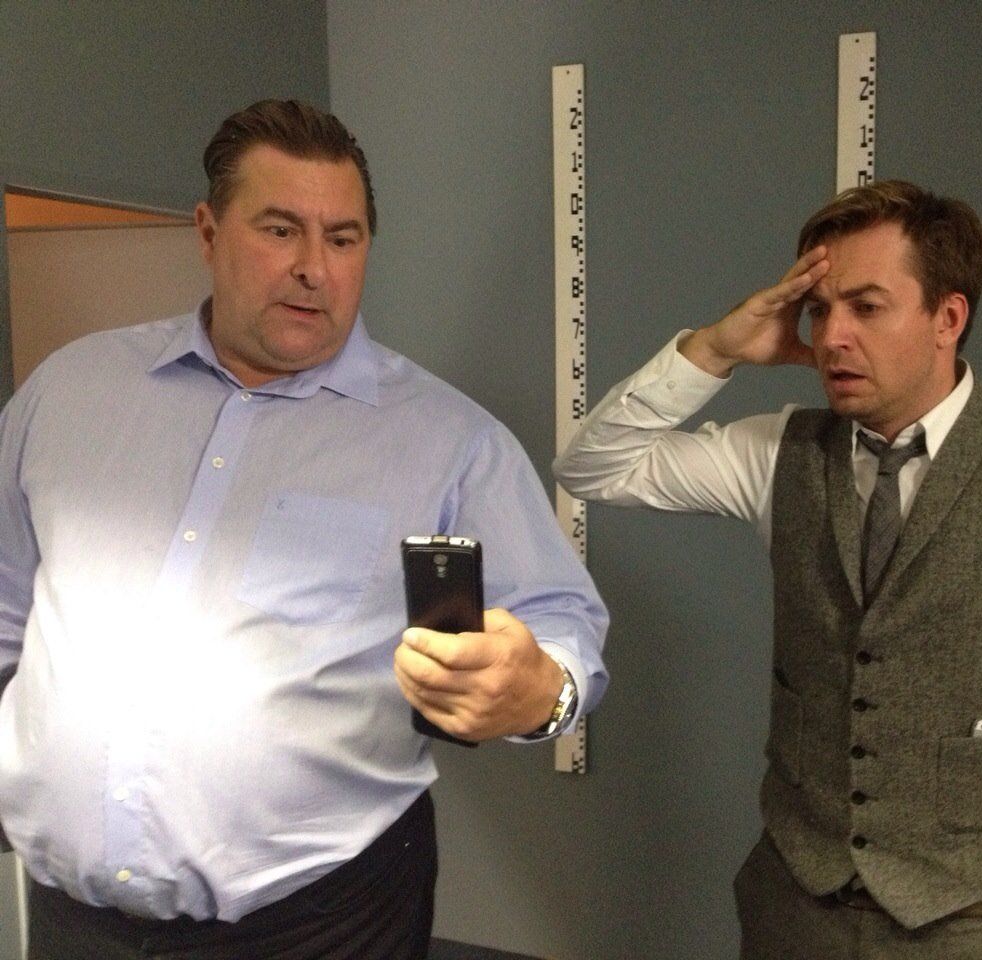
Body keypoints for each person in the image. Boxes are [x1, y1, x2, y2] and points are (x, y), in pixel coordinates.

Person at [0, 99, 607, 960]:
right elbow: (8, 610)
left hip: (314, 924)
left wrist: (543, 693)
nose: (314, 269)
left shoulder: (452, 443)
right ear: (207, 231)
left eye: (343, 238)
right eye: (280, 230)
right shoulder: (70, 392)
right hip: (72, 921)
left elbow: (564, 629)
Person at [553, 180, 982, 960]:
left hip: (974, 921)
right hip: (794, 909)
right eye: (820, 311)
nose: (832, 338)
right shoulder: (780, 451)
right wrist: (715, 349)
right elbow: (593, 468)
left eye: (866, 307)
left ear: (947, 318)